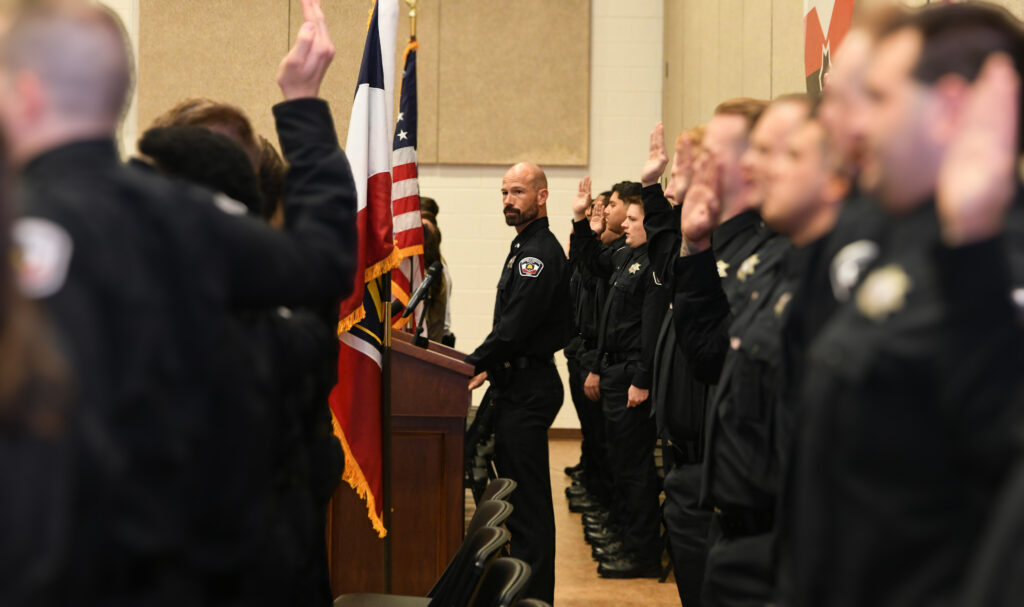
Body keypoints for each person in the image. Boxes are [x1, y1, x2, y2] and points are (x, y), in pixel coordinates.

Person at [1, 1, 356, 603]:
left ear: (26, 94)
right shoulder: (191, 219)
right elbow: (321, 263)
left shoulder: (21, 227)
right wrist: (302, 108)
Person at [783, 5, 1024, 605]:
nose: (859, 125)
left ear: (947, 109)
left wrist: (974, 254)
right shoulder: (900, 235)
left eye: (880, 99)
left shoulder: (998, 266)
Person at [465, 162, 571, 604]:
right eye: (504, 193)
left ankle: (533, 598)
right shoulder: (523, 246)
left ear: (542, 196)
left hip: (529, 387)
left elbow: (514, 328)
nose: (508, 201)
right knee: (516, 501)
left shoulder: (538, 253)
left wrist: (471, 364)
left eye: (518, 192)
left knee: (528, 508)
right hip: (515, 383)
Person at [570, 180, 669, 578]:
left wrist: (642, 379)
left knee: (633, 468)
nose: (625, 225)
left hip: (630, 374)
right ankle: (624, 535)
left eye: (633, 219)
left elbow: (651, 330)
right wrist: (583, 223)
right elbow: (590, 262)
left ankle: (641, 552)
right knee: (619, 461)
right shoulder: (627, 257)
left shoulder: (653, 267)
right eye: (625, 218)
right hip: (613, 370)